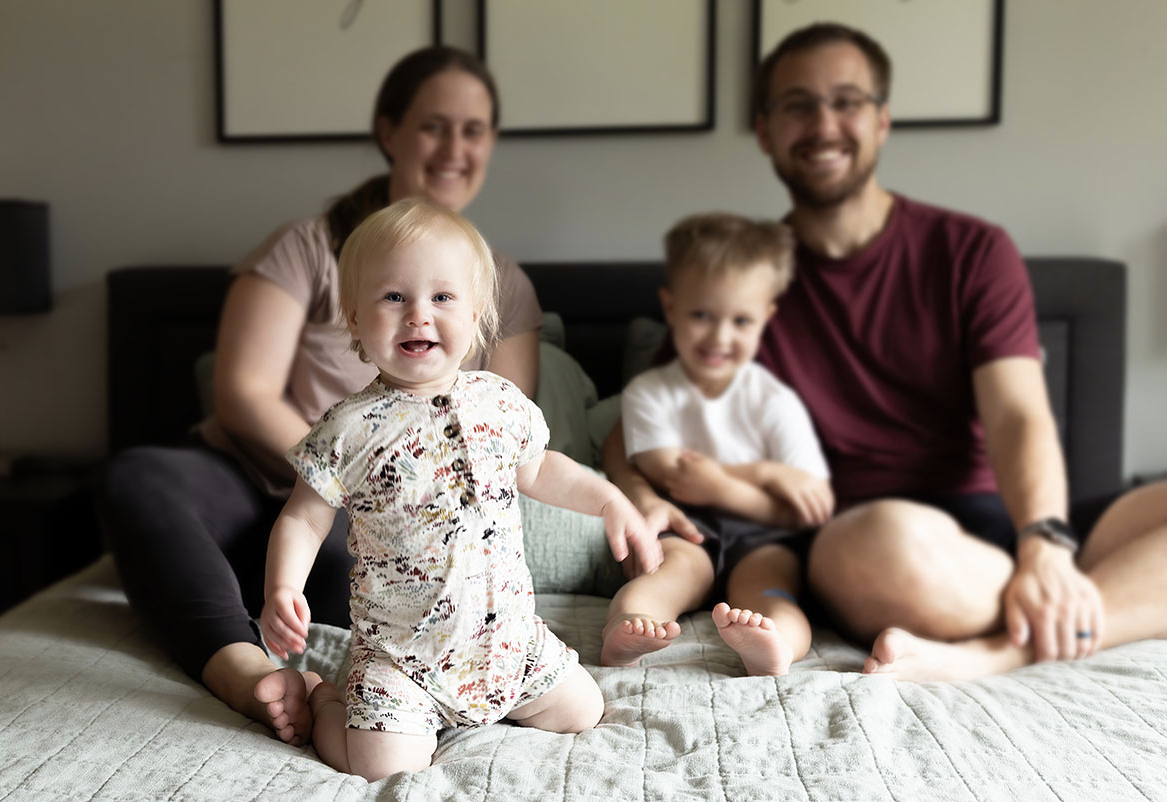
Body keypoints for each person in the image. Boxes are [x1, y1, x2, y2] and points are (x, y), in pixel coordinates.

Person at [605, 22, 1167, 682]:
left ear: (882, 121)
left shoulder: (973, 251)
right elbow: (637, 421)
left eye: (847, 101)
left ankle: (998, 652)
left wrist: (1045, 543)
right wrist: (639, 492)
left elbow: (1020, 415)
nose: (824, 123)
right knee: (888, 545)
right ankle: (1098, 603)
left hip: (997, 528)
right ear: (764, 130)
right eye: (797, 104)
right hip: (869, 543)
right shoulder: (741, 287)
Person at [97, 46, 543, 747]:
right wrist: (335, 473)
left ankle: (334, 654)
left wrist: (363, 500)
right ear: (389, 130)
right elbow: (244, 391)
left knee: (351, 567)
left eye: (475, 129)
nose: (456, 148)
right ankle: (246, 672)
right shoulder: (309, 246)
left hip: (382, 518)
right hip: (247, 476)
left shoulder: (503, 287)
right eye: (434, 126)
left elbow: (502, 442)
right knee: (139, 483)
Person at [258, 198, 658, 781]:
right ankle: (324, 699)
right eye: (394, 297)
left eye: (442, 298)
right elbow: (303, 518)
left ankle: (498, 698)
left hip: (508, 644)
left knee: (584, 710)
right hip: (403, 660)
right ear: (354, 319)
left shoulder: (499, 401)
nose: (419, 315)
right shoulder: (347, 428)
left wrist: (609, 499)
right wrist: (283, 585)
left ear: (477, 318)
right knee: (379, 767)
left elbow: (541, 468)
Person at [600, 212, 832, 677]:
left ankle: (776, 646)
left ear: (766, 318)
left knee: (772, 591)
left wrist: (727, 486)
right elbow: (672, 471)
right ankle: (626, 628)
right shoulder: (652, 391)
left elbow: (811, 505)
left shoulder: (775, 400)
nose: (720, 337)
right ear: (671, 309)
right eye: (702, 315)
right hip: (688, 526)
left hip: (764, 537)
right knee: (670, 574)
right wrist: (765, 474)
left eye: (741, 320)